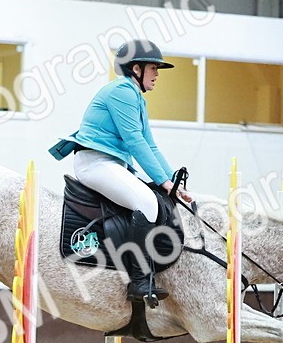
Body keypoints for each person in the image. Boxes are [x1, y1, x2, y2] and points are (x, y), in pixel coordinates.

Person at [49, 39, 191, 305]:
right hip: (95, 163)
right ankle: (138, 281)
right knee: (147, 201)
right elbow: (135, 142)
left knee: (155, 199)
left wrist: (173, 182)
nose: (158, 75)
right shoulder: (121, 92)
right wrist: (162, 182)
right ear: (136, 68)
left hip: (110, 164)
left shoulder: (137, 98)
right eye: (154, 68)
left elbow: (149, 144)